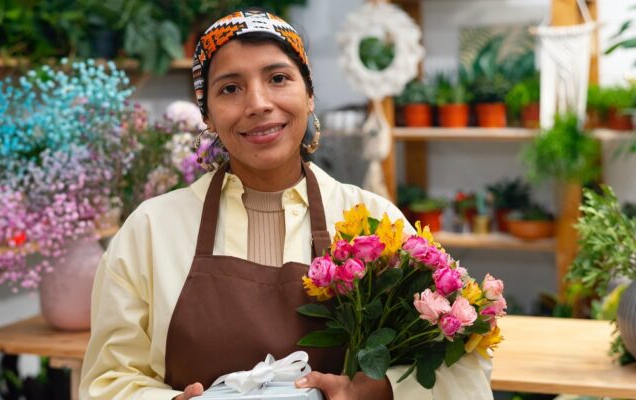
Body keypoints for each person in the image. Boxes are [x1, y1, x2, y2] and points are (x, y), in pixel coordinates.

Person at [80, 9, 492, 400]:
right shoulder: (151, 230)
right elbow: (107, 382)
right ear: (207, 115)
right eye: (230, 88)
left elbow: (464, 367)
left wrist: (383, 391)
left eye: (278, 78)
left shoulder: (374, 225)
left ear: (309, 95)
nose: (258, 103)